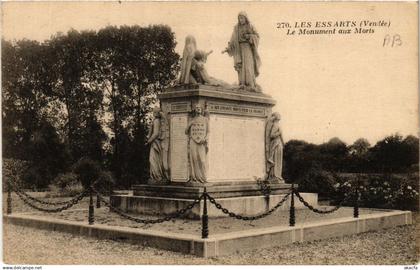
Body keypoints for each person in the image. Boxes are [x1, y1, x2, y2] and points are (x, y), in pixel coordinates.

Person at [223, 11, 261, 91]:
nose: (241, 20)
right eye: (239, 18)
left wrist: (249, 36)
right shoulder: (236, 28)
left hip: (247, 48)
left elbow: (257, 36)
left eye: (242, 18)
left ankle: (250, 84)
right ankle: (242, 83)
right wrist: (229, 48)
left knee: (248, 66)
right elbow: (232, 39)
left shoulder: (250, 26)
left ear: (245, 18)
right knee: (240, 67)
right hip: (239, 49)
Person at [185, 105, 209, 183]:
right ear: (195, 110)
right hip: (193, 141)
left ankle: (203, 178)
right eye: (196, 108)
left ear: (201, 110)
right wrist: (190, 124)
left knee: (202, 160)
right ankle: (194, 177)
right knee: (194, 159)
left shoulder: (205, 119)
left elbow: (208, 131)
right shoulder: (192, 119)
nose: (198, 109)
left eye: (199, 108)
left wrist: (205, 139)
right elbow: (186, 131)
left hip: (201, 142)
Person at [146, 107, 169, 183]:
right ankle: (157, 176)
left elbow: (155, 134)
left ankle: (157, 177)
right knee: (155, 160)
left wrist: (148, 141)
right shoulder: (157, 121)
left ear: (156, 112)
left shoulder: (156, 121)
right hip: (157, 143)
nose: (153, 113)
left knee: (152, 160)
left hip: (155, 143)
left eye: (154, 111)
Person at [265, 112, 284, 181]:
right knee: (276, 159)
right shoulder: (275, 125)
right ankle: (275, 175)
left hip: (278, 144)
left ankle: (277, 175)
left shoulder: (277, 125)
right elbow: (271, 135)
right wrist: (279, 133)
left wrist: (283, 142)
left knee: (278, 159)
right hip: (276, 144)